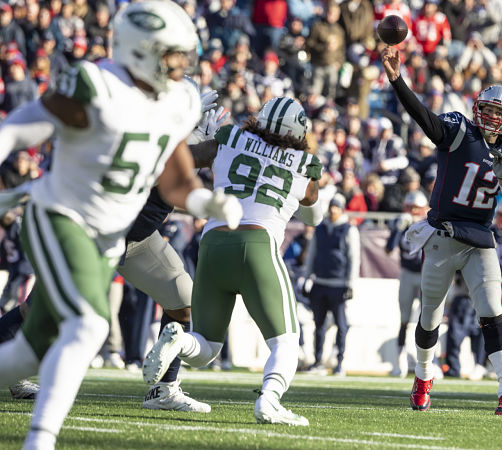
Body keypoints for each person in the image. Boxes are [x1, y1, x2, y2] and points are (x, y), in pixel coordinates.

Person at [0, 2, 242, 448]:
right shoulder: (100, 85)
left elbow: (179, 177)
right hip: (75, 222)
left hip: (132, 237)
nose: (179, 67)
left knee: (182, 301)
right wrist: (215, 148)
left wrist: (208, 198)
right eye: (172, 57)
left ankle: (163, 388)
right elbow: (176, 168)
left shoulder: (175, 104)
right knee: (63, 322)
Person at [143, 96, 323, 426]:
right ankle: (269, 400)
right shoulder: (303, 162)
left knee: (205, 347)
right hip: (257, 243)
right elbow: (313, 210)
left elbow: (183, 159)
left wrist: (192, 133)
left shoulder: (229, 139)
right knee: (285, 342)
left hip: (213, 242)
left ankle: (178, 340)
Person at [382, 45, 502, 415]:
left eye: (501, 113)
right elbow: (425, 120)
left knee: (493, 312)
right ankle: (422, 375)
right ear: (478, 109)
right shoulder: (460, 131)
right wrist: (398, 81)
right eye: (489, 110)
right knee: (430, 314)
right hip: (444, 235)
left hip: (479, 239)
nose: (493, 118)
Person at [302, 192, 360, 376]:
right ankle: (318, 361)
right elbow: (312, 253)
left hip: (338, 284)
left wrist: (350, 284)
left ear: (342, 209)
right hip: (320, 282)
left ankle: (339, 362)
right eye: (331, 206)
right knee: (318, 324)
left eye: (336, 206)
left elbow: (353, 258)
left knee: (341, 325)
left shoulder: (349, 229)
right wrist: (306, 276)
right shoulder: (320, 228)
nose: (333, 209)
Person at [385, 190, 429, 377]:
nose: (412, 211)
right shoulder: (401, 225)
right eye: (409, 208)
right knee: (404, 319)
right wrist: (397, 230)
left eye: (416, 208)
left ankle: (429, 362)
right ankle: (399, 362)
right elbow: (388, 249)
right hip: (406, 275)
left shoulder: (429, 225)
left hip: (426, 275)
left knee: (429, 319)